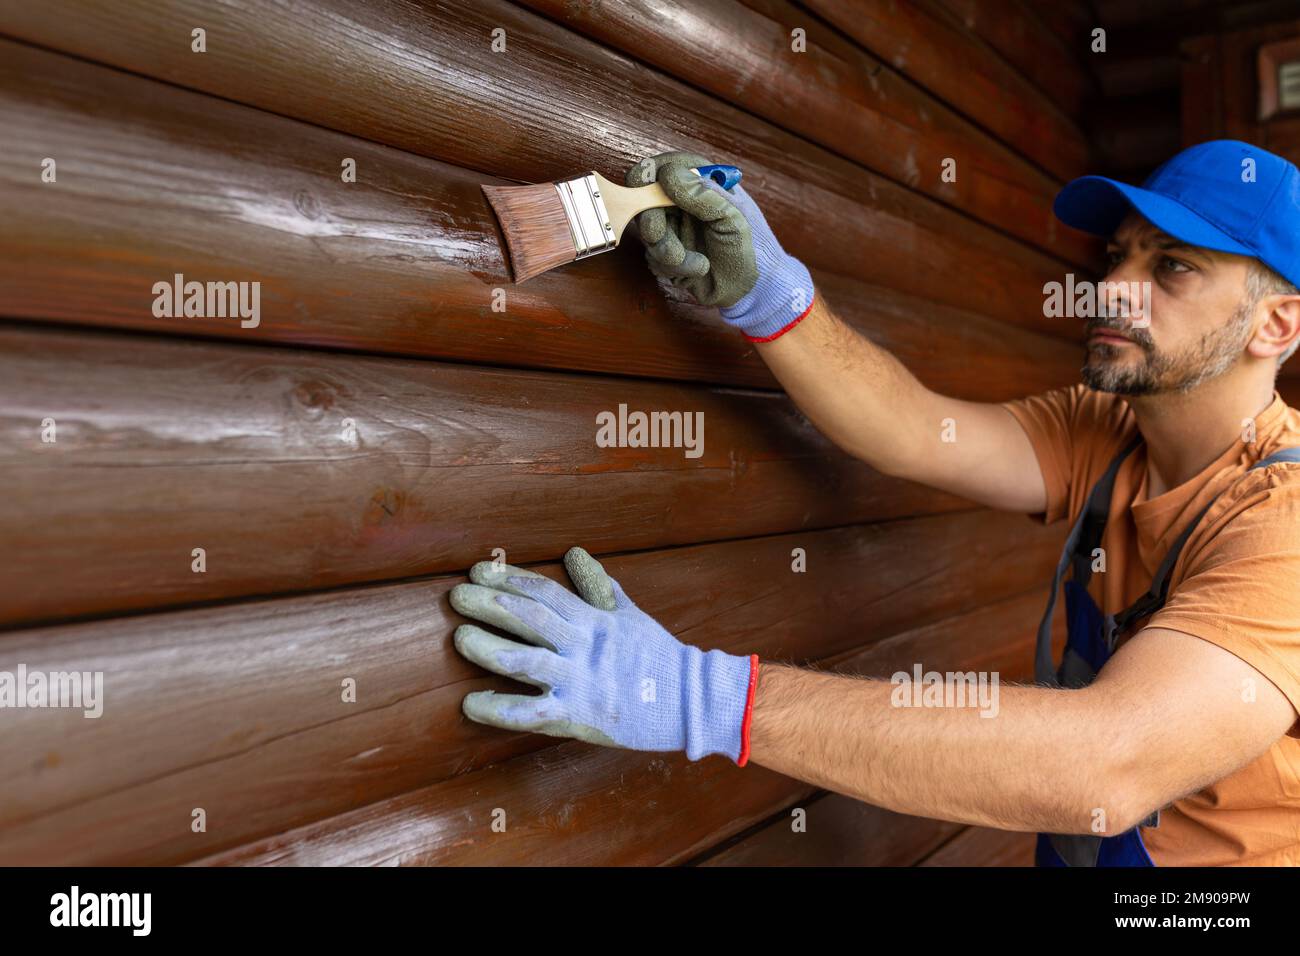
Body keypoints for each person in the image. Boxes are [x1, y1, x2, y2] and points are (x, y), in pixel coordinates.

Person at [450, 140, 1300, 866]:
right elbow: (913, 430)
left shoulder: (1284, 522)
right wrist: (771, 297)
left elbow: (1107, 766)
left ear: (1277, 327)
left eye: (1174, 267)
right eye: (1119, 255)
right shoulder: (1108, 429)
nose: (1113, 287)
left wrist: (696, 697)